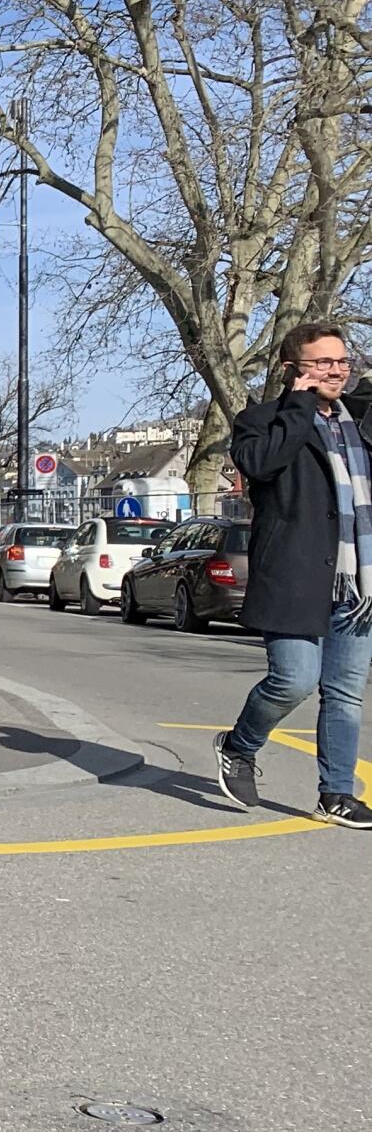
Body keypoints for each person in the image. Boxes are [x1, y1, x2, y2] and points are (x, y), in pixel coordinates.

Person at [215, 322, 372, 827]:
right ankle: (239, 746)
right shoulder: (260, 421)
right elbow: (262, 466)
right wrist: (299, 407)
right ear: (292, 369)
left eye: (342, 360)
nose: (336, 370)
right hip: (296, 575)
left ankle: (336, 795)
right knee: (294, 680)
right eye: (322, 362)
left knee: (345, 693)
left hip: (358, 583)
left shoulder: (361, 421)